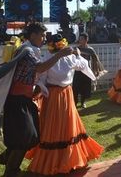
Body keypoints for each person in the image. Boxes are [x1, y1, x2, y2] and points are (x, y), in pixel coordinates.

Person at [0, 22, 73, 177]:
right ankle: (11, 171)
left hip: (23, 100)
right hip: (17, 100)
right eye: (42, 35)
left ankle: (7, 157)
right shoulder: (27, 50)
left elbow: (32, 74)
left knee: (30, 136)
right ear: (32, 35)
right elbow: (39, 68)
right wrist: (60, 54)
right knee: (25, 137)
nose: (44, 38)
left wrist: (37, 87)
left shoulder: (31, 49)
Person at [25, 34, 104, 175]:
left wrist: (41, 91)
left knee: (53, 125)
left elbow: (40, 79)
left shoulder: (47, 59)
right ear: (62, 44)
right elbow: (83, 66)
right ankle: (68, 158)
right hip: (66, 94)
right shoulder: (70, 58)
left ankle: (53, 160)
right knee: (67, 124)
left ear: (50, 45)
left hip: (53, 95)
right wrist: (79, 56)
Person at [72, 32, 105, 108]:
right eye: (79, 39)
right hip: (78, 71)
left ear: (86, 40)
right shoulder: (76, 49)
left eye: (82, 39)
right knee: (75, 88)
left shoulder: (90, 50)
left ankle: (83, 102)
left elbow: (95, 60)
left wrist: (95, 71)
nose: (80, 41)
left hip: (87, 71)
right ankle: (75, 102)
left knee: (85, 87)